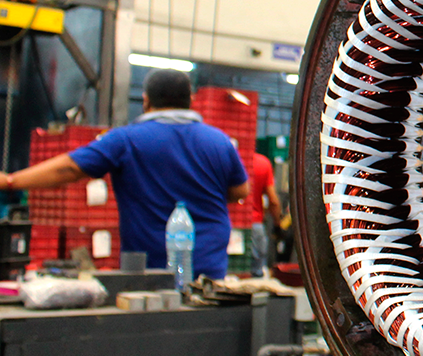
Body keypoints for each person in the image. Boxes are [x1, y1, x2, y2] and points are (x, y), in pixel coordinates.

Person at [0, 69, 249, 279]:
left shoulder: (126, 139)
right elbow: (240, 191)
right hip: (210, 271)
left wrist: (12, 181)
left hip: (151, 272)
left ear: (146, 100)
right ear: (191, 100)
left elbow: (70, 168)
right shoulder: (219, 141)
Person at [245, 150, 283, 278]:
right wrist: (278, 225)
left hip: (230, 223)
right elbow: (273, 201)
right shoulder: (262, 163)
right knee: (257, 275)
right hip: (255, 224)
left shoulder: (231, 160)